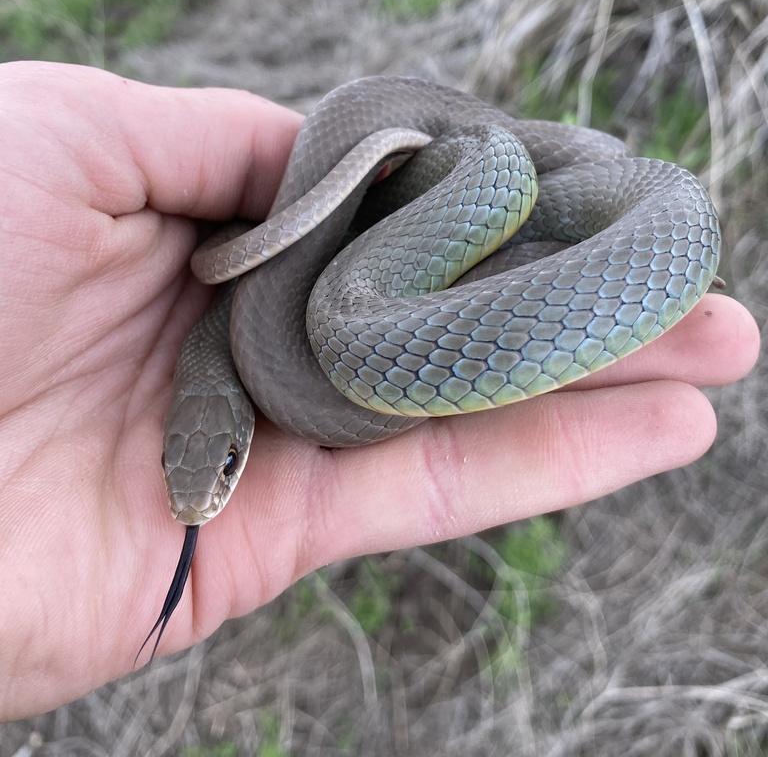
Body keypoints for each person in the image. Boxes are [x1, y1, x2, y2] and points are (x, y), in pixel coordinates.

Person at [0, 61, 759, 722]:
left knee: (555, 170)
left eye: (222, 467)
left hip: (515, 184)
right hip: (447, 228)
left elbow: (583, 173)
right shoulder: (298, 341)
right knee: (377, 310)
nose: (202, 495)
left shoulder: (503, 173)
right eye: (207, 468)